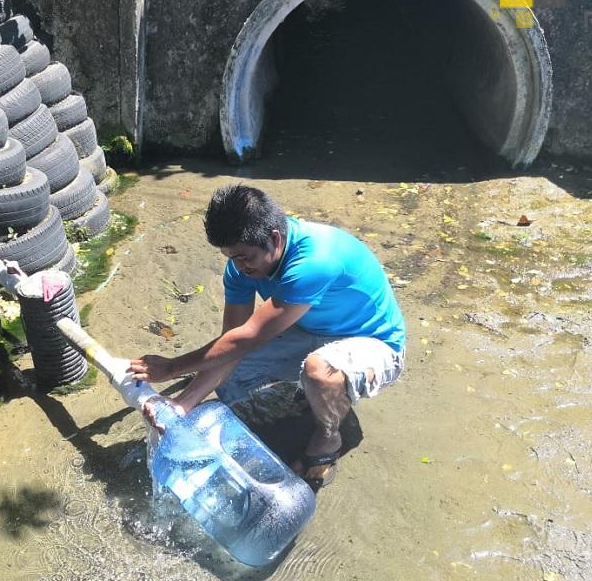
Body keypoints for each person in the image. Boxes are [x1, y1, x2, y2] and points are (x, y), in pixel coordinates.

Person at [128, 184, 406, 489]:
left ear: (275, 238)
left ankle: (328, 438)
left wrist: (171, 367)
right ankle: (308, 400)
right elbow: (231, 341)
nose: (239, 267)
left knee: (318, 372)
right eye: (231, 257)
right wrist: (183, 404)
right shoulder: (240, 268)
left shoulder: (315, 260)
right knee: (231, 376)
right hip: (309, 329)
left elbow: (248, 337)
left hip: (375, 344)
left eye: (245, 257)